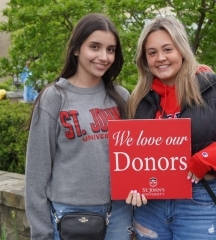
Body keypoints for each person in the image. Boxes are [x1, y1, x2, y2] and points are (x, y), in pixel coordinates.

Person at [126, 16, 216, 239]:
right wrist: (133, 184)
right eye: (152, 53)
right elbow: (132, 159)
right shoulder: (139, 100)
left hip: (198, 203)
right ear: (144, 59)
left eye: (167, 49)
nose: (160, 58)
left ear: (181, 50)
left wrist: (204, 158)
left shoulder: (215, 92)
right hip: (150, 208)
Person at [25, 13, 134, 240]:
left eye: (111, 49)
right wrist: (41, 233)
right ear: (76, 49)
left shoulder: (122, 97)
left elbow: (138, 157)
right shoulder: (54, 98)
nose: (104, 56)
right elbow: (36, 174)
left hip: (119, 212)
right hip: (70, 215)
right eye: (94, 47)